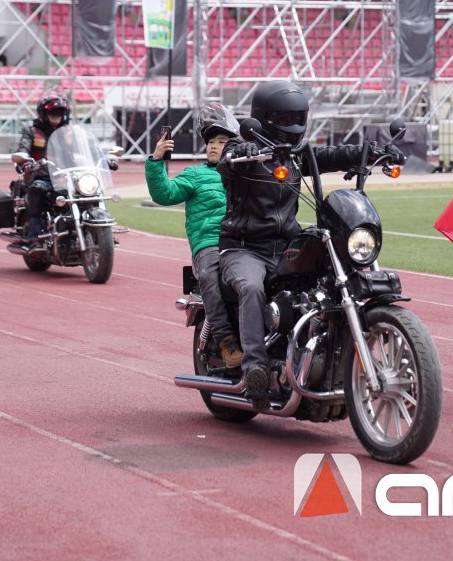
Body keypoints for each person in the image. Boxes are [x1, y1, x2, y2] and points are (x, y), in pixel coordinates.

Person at [216, 80, 404, 404]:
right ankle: (255, 368)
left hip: (285, 245)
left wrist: (372, 151)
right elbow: (227, 159)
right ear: (264, 118)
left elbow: (328, 154)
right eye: (284, 118)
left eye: (296, 118)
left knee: (329, 274)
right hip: (244, 247)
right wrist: (241, 152)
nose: (291, 125)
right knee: (251, 287)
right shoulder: (243, 151)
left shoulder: (296, 156)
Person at [145, 107, 241, 369]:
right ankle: (225, 340)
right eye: (210, 142)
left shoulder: (246, 173)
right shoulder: (195, 174)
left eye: (221, 141)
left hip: (243, 243)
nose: (213, 146)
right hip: (209, 244)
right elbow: (164, 194)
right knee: (210, 277)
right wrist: (156, 160)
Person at [13, 95, 69, 245]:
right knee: (37, 189)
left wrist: (103, 159)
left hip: (65, 177)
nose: (57, 116)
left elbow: (83, 149)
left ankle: (100, 230)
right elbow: (23, 149)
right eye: (53, 112)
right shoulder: (31, 132)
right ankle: (34, 235)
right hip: (40, 176)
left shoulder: (67, 133)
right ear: (43, 114)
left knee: (90, 190)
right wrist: (25, 162)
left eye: (60, 112)